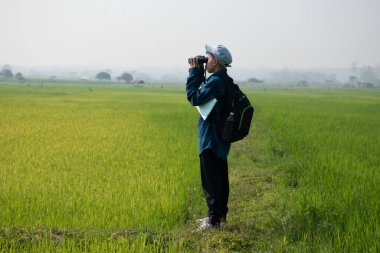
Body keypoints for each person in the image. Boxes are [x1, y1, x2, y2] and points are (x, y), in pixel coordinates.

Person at [186, 44, 233, 230]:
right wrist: (200, 73)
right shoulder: (224, 79)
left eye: (208, 56)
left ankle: (214, 222)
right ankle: (218, 217)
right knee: (219, 179)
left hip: (210, 139)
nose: (205, 60)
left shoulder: (215, 82)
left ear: (215, 60)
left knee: (211, 181)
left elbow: (193, 97)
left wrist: (193, 72)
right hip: (220, 139)